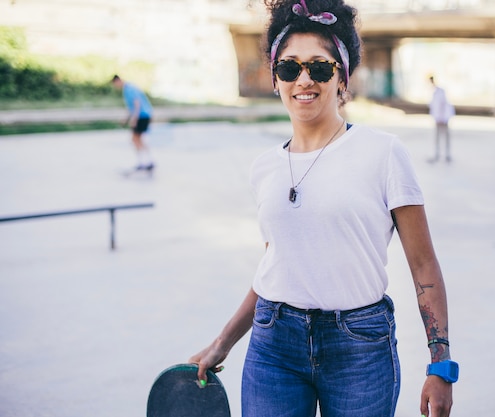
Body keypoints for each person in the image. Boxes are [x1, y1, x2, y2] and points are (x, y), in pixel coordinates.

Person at [189, 1, 457, 416]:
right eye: (289, 68)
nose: (303, 80)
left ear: (342, 78)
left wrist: (441, 364)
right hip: (273, 344)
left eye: (319, 67)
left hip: (359, 347)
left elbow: (423, 267)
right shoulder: (265, 168)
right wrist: (223, 341)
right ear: (276, 79)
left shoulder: (383, 153)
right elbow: (275, 264)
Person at [111, 75, 155, 172]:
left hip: (142, 115)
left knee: (135, 139)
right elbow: (131, 106)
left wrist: (134, 119)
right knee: (137, 139)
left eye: (115, 84)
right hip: (143, 115)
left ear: (118, 81)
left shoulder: (130, 89)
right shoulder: (127, 89)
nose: (116, 86)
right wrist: (126, 118)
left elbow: (137, 104)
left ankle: (144, 162)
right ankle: (147, 161)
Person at [428, 75, 455, 163]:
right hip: (437, 118)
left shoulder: (440, 91)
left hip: (442, 118)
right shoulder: (434, 92)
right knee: (437, 137)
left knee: (445, 136)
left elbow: (443, 105)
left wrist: (442, 118)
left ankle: (447, 155)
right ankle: (437, 154)